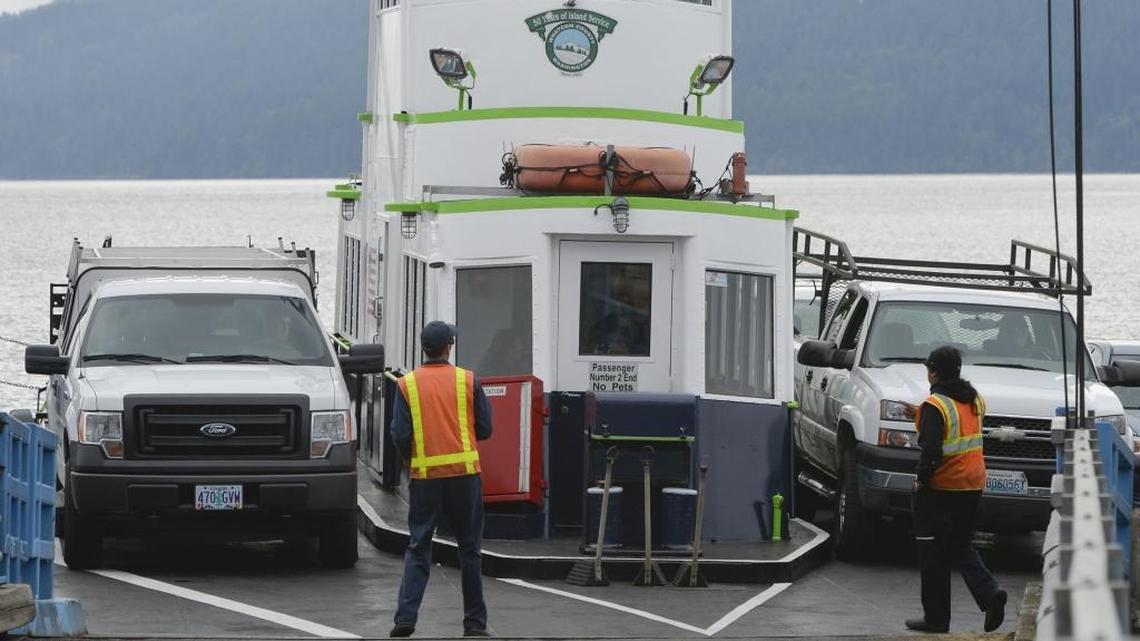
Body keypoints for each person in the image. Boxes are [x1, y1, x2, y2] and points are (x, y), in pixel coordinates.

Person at [389, 321, 494, 638]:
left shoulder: (406, 385)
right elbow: (486, 429)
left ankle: (405, 619)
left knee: (419, 547)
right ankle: (474, 624)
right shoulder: (468, 380)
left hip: (425, 478)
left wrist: (414, 461)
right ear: (449, 347)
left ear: (424, 348)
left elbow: (400, 436)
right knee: (469, 551)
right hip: (465, 476)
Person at [906, 345, 1007, 634]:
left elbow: (932, 450)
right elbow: (958, 425)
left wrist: (921, 480)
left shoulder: (935, 405)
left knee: (932, 552)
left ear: (934, 372)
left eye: (929, 370)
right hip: (972, 484)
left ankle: (936, 619)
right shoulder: (974, 399)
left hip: (941, 488)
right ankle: (990, 593)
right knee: (961, 546)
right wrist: (918, 413)